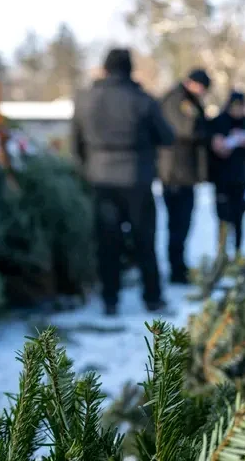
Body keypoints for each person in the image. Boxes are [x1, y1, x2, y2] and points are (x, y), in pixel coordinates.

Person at [71, 48, 175, 316]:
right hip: (137, 178)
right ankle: (152, 297)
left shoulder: (85, 100)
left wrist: (88, 170)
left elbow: (76, 143)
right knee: (145, 242)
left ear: (104, 69)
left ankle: (110, 300)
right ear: (130, 69)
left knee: (107, 243)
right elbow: (166, 136)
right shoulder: (142, 100)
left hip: (101, 179)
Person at [159, 68, 212, 284]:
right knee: (178, 224)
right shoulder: (178, 100)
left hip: (181, 172)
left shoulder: (183, 99)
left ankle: (178, 266)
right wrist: (208, 131)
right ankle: (176, 270)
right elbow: (188, 128)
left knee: (182, 224)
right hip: (176, 173)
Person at [208, 91, 245, 258]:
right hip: (222, 178)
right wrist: (219, 144)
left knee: (239, 218)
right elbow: (208, 145)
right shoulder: (218, 122)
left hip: (241, 178)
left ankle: (238, 253)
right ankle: (221, 255)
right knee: (223, 218)